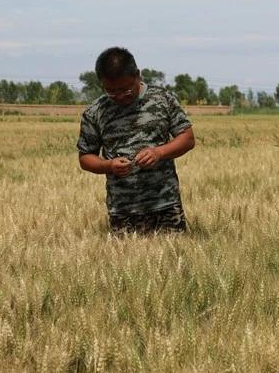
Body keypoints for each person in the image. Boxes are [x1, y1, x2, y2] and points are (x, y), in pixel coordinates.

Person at [77, 47, 195, 234]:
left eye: (126, 89)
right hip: (122, 209)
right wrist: (108, 166)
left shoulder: (162, 99)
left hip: (165, 203)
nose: (120, 97)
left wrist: (159, 152)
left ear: (138, 75)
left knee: (172, 261)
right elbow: (85, 158)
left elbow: (187, 139)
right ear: (102, 84)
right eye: (112, 91)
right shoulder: (95, 112)